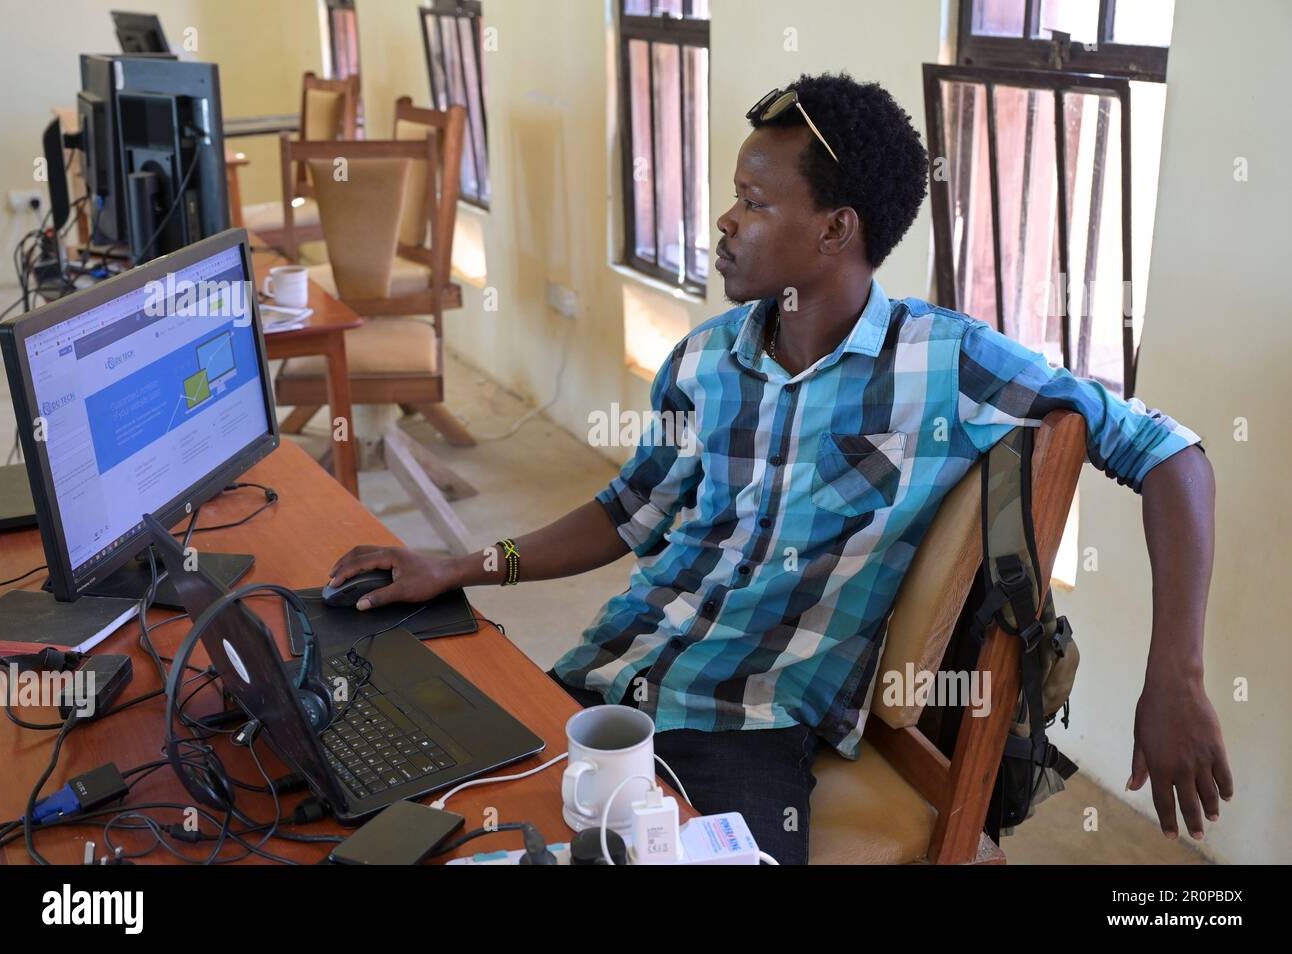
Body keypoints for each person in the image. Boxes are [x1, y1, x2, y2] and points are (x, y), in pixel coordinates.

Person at [327, 72, 1232, 865]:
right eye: (734, 195)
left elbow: (1170, 453)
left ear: (836, 230)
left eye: (754, 203)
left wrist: (1177, 676)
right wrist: (465, 564)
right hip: (614, 669)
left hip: (751, 725)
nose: (724, 221)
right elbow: (626, 511)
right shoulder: (705, 358)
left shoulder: (948, 365)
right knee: (392, 801)